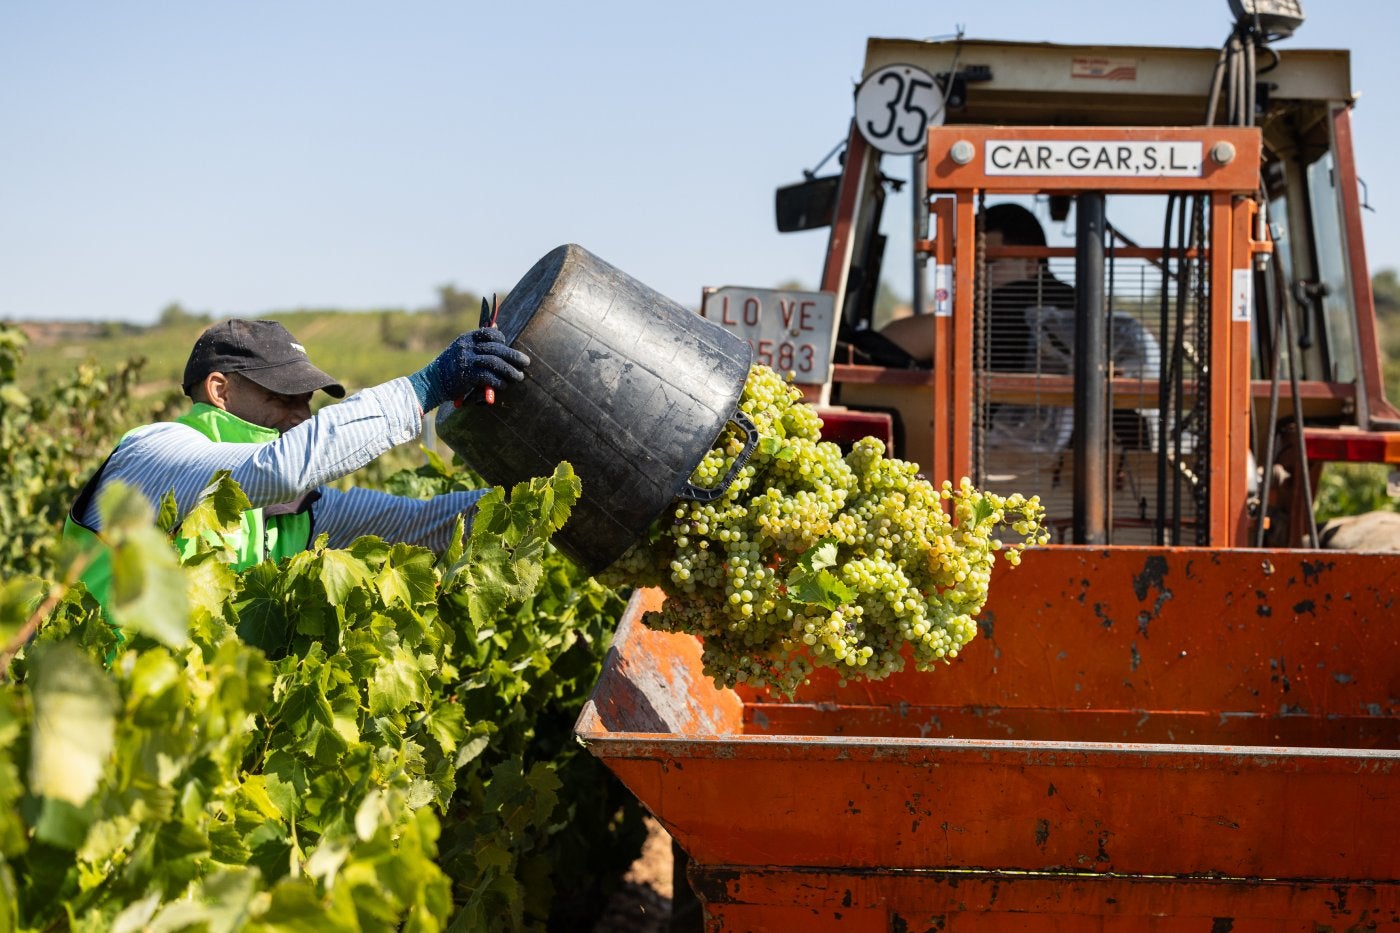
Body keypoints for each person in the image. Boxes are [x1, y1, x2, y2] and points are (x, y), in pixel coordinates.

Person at [63, 318, 531, 611]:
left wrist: (539, 497)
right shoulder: (151, 456)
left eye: (305, 402)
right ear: (219, 391)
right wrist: (424, 388)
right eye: (282, 398)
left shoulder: (296, 512)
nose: (300, 418)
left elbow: (422, 525)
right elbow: (271, 469)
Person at [880, 202, 1074, 368]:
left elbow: (892, 343)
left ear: (1031, 265)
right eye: (971, 264)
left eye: (989, 262)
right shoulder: (1080, 303)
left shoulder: (1009, 302)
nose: (976, 273)